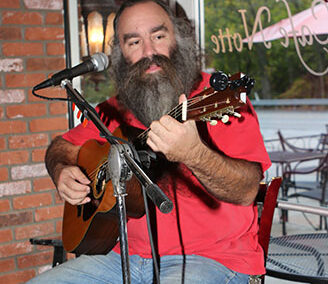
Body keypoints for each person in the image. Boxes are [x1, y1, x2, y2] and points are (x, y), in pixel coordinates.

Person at [27, 0, 271, 283]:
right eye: (134, 42)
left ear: (178, 39)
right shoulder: (112, 110)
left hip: (212, 260)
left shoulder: (217, 100)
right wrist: (61, 170)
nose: (149, 52)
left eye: (158, 36)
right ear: (120, 55)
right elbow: (61, 146)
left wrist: (195, 154)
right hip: (121, 258)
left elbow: (247, 190)